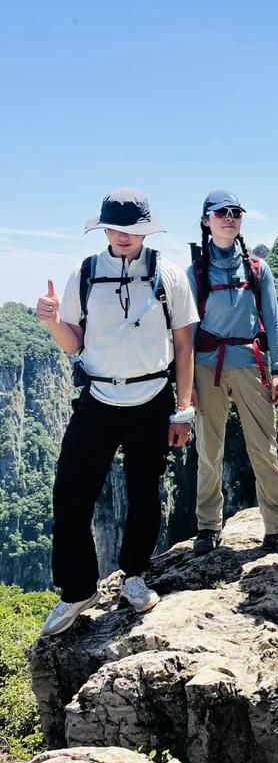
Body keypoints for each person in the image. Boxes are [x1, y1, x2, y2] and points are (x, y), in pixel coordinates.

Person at [36, 188, 199, 636]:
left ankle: (134, 576)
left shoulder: (168, 275)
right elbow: (75, 342)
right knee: (70, 495)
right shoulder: (84, 274)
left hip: (152, 400)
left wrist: (184, 409)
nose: (125, 236)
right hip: (98, 400)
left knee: (145, 493)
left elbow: (184, 345)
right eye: (117, 227)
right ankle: (77, 590)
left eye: (134, 229)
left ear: (146, 230)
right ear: (104, 228)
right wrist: (51, 319)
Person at [188, 189, 278, 557]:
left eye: (235, 212)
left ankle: (277, 526)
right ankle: (208, 527)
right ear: (207, 221)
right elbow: (185, 331)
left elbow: (274, 321)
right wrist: (185, 385)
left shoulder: (256, 268)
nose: (230, 217)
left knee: (264, 448)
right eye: (221, 213)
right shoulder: (197, 271)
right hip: (207, 366)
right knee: (208, 449)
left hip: (251, 364)